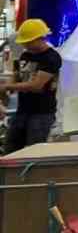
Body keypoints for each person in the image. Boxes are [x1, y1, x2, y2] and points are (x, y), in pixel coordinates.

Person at [2, 19, 61, 151]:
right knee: (10, 149)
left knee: (33, 150)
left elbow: (36, 85)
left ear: (39, 38)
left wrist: (8, 87)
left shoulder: (51, 58)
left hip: (42, 113)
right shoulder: (25, 55)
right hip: (22, 110)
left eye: (28, 42)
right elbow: (17, 76)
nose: (25, 45)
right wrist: (7, 88)